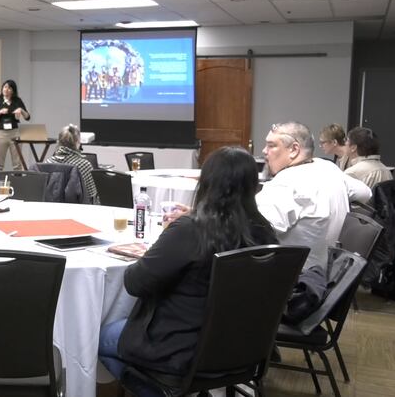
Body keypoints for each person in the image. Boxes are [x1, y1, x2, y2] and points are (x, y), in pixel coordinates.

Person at [97, 147, 278, 397]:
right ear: (253, 187)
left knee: (98, 340)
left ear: (206, 183)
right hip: (243, 348)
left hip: (180, 348)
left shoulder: (190, 230)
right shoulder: (265, 233)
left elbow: (134, 283)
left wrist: (166, 240)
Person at [256, 121, 371, 272]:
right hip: (332, 274)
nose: (264, 151)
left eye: (271, 146)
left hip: (296, 278)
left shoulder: (284, 184)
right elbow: (366, 193)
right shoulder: (328, 167)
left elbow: (254, 232)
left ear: (294, 149)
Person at [45, 124, 98, 203]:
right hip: (77, 209)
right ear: (77, 142)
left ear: (58, 142)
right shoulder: (84, 165)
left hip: (52, 208)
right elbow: (92, 195)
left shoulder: (47, 163)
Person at [0, 79, 30, 171]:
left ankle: (17, 180)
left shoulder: (17, 101)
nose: (6, 89)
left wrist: (21, 110)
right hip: (1, 134)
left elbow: (27, 117)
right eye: (5, 87)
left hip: (15, 133)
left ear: (13, 91)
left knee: (17, 164)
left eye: (9, 88)